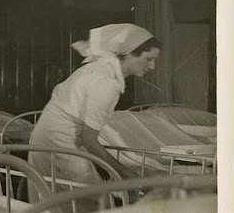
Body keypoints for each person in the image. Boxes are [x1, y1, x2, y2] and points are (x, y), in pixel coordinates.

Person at [29, 23, 161, 185]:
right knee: (90, 197)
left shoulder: (102, 69)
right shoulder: (105, 82)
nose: (152, 66)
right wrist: (125, 172)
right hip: (56, 138)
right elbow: (89, 140)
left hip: (53, 134)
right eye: (149, 59)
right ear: (129, 53)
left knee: (65, 197)